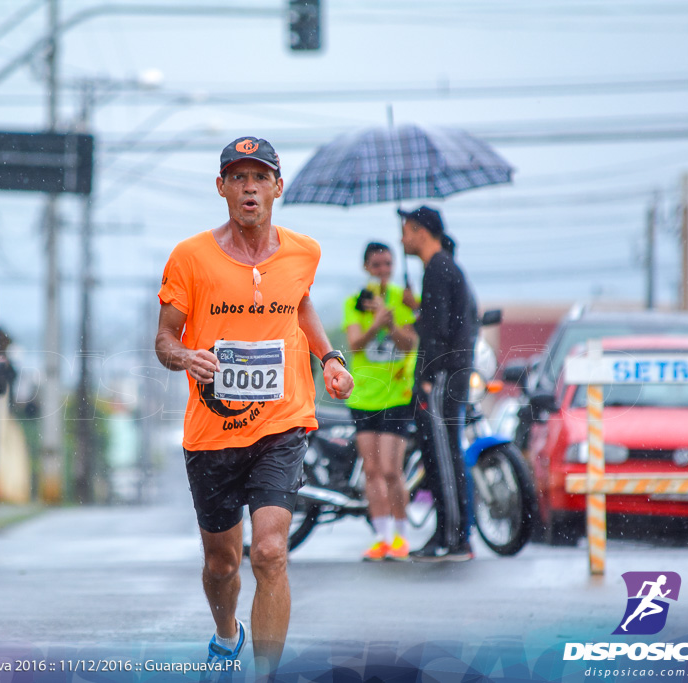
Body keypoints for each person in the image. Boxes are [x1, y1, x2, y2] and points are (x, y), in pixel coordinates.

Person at [155, 137, 353, 675]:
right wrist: (185, 357)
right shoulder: (190, 257)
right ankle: (226, 632)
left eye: (260, 177)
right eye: (238, 177)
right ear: (221, 188)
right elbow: (165, 339)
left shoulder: (303, 252)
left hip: (281, 424)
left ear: (278, 188)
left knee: (269, 553)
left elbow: (299, 303)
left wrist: (329, 357)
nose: (249, 187)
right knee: (222, 565)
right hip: (212, 434)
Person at [398, 206, 479, 562]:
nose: (402, 238)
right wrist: (417, 308)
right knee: (440, 454)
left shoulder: (438, 268)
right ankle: (449, 534)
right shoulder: (443, 268)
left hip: (443, 374)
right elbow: (437, 322)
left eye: (406, 230)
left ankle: (454, 538)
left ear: (421, 231)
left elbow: (441, 332)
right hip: (447, 372)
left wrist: (429, 377)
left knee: (444, 456)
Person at [342, 242, 418, 561]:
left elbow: (412, 341)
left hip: (397, 393)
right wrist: (375, 324)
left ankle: (401, 535)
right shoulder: (355, 302)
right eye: (376, 265)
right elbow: (355, 343)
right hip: (363, 395)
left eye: (388, 264)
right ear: (366, 268)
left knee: (390, 468)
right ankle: (382, 536)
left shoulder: (404, 298)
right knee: (371, 469)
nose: (383, 270)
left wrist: (392, 323)